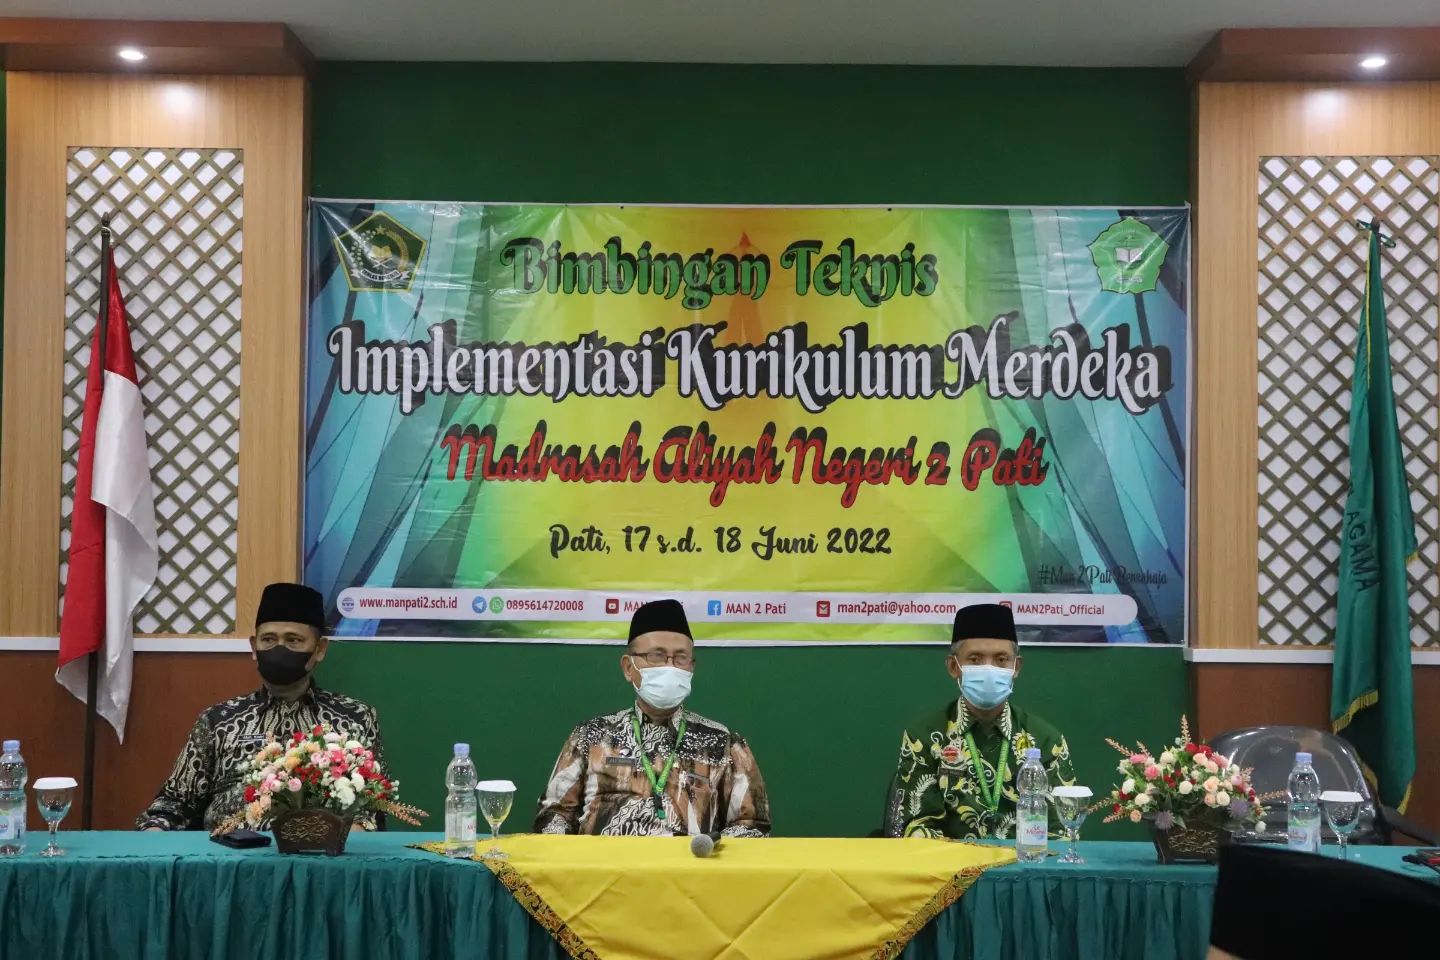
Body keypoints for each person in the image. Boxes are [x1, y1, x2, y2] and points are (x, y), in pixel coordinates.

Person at [137, 582, 384, 832]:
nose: (279, 649)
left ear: (319, 649)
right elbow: (174, 803)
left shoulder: (355, 719)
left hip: (321, 852)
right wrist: (154, 831)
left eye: (294, 640)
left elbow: (371, 807)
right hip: (227, 851)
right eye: (268, 639)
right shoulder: (218, 721)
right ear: (254, 647)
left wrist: (350, 837)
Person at [534, 598, 771, 837]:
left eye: (681, 658)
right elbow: (553, 814)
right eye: (657, 656)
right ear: (628, 668)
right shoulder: (592, 736)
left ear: (691, 667)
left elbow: (753, 824)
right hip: (604, 862)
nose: (670, 666)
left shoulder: (723, 743)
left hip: (689, 862)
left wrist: (709, 849)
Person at [889, 602, 1073, 840]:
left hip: (1025, 862)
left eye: (1001, 659)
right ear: (953, 666)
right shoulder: (924, 737)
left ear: (1016, 667)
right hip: (952, 863)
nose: (989, 669)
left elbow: (1061, 831)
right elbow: (915, 828)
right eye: (975, 659)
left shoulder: (1045, 740)